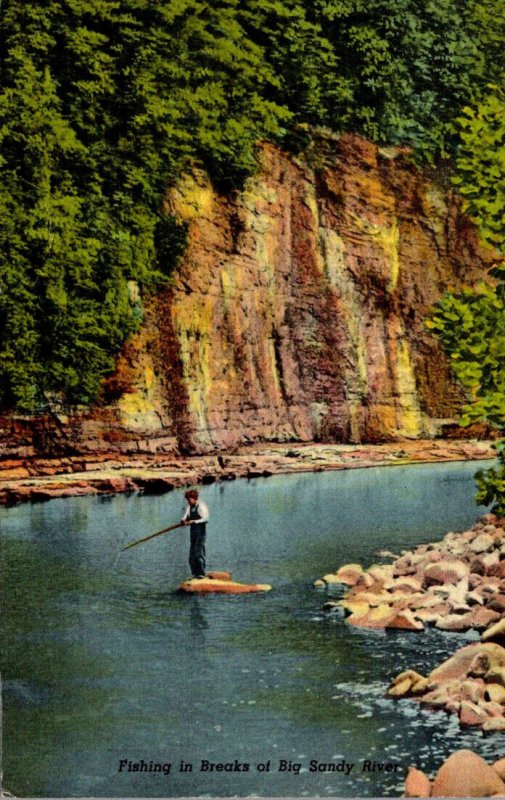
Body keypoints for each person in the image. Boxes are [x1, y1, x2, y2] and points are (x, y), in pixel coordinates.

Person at [181, 489, 209, 579]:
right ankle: (195, 573)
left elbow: (206, 519)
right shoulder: (189, 506)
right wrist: (183, 520)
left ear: (194, 498)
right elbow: (186, 515)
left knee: (198, 552)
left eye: (189, 500)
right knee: (192, 553)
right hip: (193, 532)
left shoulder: (201, 506)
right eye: (187, 500)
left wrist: (194, 521)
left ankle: (201, 573)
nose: (188, 502)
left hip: (200, 532)